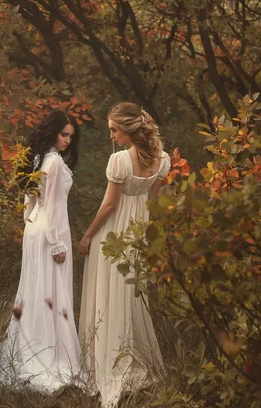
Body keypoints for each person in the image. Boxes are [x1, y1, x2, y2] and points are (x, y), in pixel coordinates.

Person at [78, 102, 170, 407]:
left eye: (114, 129)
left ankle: (107, 363)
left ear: (129, 129)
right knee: (128, 297)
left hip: (114, 233)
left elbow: (109, 206)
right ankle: (129, 358)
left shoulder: (120, 161)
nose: (111, 135)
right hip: (138, 232)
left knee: (108, 294)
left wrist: (88, 234)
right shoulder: (162, 160)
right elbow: (155, 201)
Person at [0, 110, 82, 393]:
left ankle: (30, 349)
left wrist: (30, 223)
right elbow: (54, 206)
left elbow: (30, 197)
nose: (67, 140)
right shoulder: (53, 162)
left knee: (34, 291)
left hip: (35, 228)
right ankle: (47, 355)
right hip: (50, 231)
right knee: (49, 294)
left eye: (71, 136)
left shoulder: (38, 158)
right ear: (53, 132)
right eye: (63, 134)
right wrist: (56, 243)